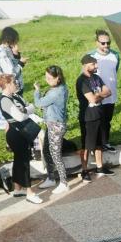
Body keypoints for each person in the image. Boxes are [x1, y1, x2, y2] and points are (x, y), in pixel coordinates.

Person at [0, 73, 42, 204]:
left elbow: (29, 107)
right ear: (6, 85)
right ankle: (29, 193)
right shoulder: (5, 100)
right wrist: (27, 110)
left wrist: (25, 109)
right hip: (15, 134)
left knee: (18, 161)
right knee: (24, 163)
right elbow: (20, 117)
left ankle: (17, 189)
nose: (16, 84)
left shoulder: (14, 96)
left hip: (20, 133)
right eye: (13, 82)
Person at [75, 54, 113, 183]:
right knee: (86, 145)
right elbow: (92, 99)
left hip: (99, 114)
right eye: (93, 64)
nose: (96, 66)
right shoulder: (82, 81)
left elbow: (109, 91)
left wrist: (98, 95)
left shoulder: (97, 77)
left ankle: (99, 167)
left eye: (96, 63)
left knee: (99, 143)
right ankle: (84, 170)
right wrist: (100, 95)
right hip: (88, 117)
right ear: (85, 65)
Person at [34, 65, 70, 195]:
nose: (47, 80)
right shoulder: (60, 87)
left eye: (50, 78)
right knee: (47, 150)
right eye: (46, 77)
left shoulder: (56, 92)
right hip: (52, 124)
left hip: (56, 126)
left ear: (58, 78)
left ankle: (64, 183)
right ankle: (51, 178)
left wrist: (37, 91)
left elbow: (38, 103)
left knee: (55, 155)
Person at [88, 30, 120, 152]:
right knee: (96, 121)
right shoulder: (91, 56)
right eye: (103, 43)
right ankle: (94, 146)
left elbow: (114, 71)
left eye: (108, 43)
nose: (106, 45)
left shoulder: (115, 55)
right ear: (96, 43)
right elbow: (87, 76)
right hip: (97, 96)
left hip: (111, 95)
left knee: (107, 121)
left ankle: (105, 142)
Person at [0, 26, 26, 95]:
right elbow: (11, 74)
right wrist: (21, 63)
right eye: (15, 39)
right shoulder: (3, 54)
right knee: (15, 105)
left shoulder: (6, 49)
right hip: (10, 89)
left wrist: (16, 54)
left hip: (13, 87)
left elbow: (12, 64)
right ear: (10, 39)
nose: (16, 42)